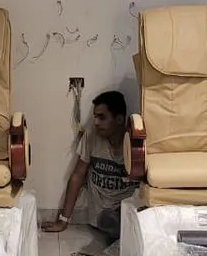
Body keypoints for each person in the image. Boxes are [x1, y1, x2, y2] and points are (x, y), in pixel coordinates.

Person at [41, 90, 139, 240]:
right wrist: (63, 220)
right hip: (101, 215)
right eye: (95, 117)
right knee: (112, 223)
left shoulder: (136, 143)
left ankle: (125, 227)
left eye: (102, 117)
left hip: (126, 210)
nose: (96, 123)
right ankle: (119, 228)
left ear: (119, 119)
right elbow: (77, 176)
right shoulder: (91, 136)